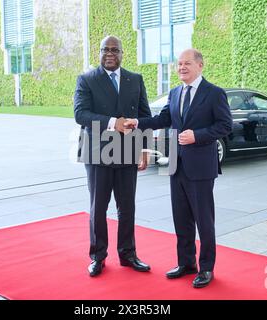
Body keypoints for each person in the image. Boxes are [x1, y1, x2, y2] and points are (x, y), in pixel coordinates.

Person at [125, 49, 233, 288]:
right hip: (175, 163)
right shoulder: (174, 93)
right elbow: (162, 119)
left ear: (200, 66)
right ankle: (186, 263)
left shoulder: (214, 93)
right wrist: (137, 123)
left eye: (187, 64)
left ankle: (206, 268)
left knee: (204, 221)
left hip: (201, 167)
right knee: (181, 219)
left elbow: (225, 125)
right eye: (179, 64)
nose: (181, 68)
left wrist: (198, 135)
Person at [74, 36, 152, 277]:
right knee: (98, 208)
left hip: (128, 152)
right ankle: (98, 256)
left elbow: (145, 116)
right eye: (105, 50)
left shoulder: (135, 79)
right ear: (99, 53)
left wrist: (145, 149)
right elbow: (80, 114)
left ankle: (128, 254)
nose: (110, 53)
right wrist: (112, 123)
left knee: (127, 207)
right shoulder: (87, 79)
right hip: (98, 153)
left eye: (115, 50)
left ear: (122, 53)